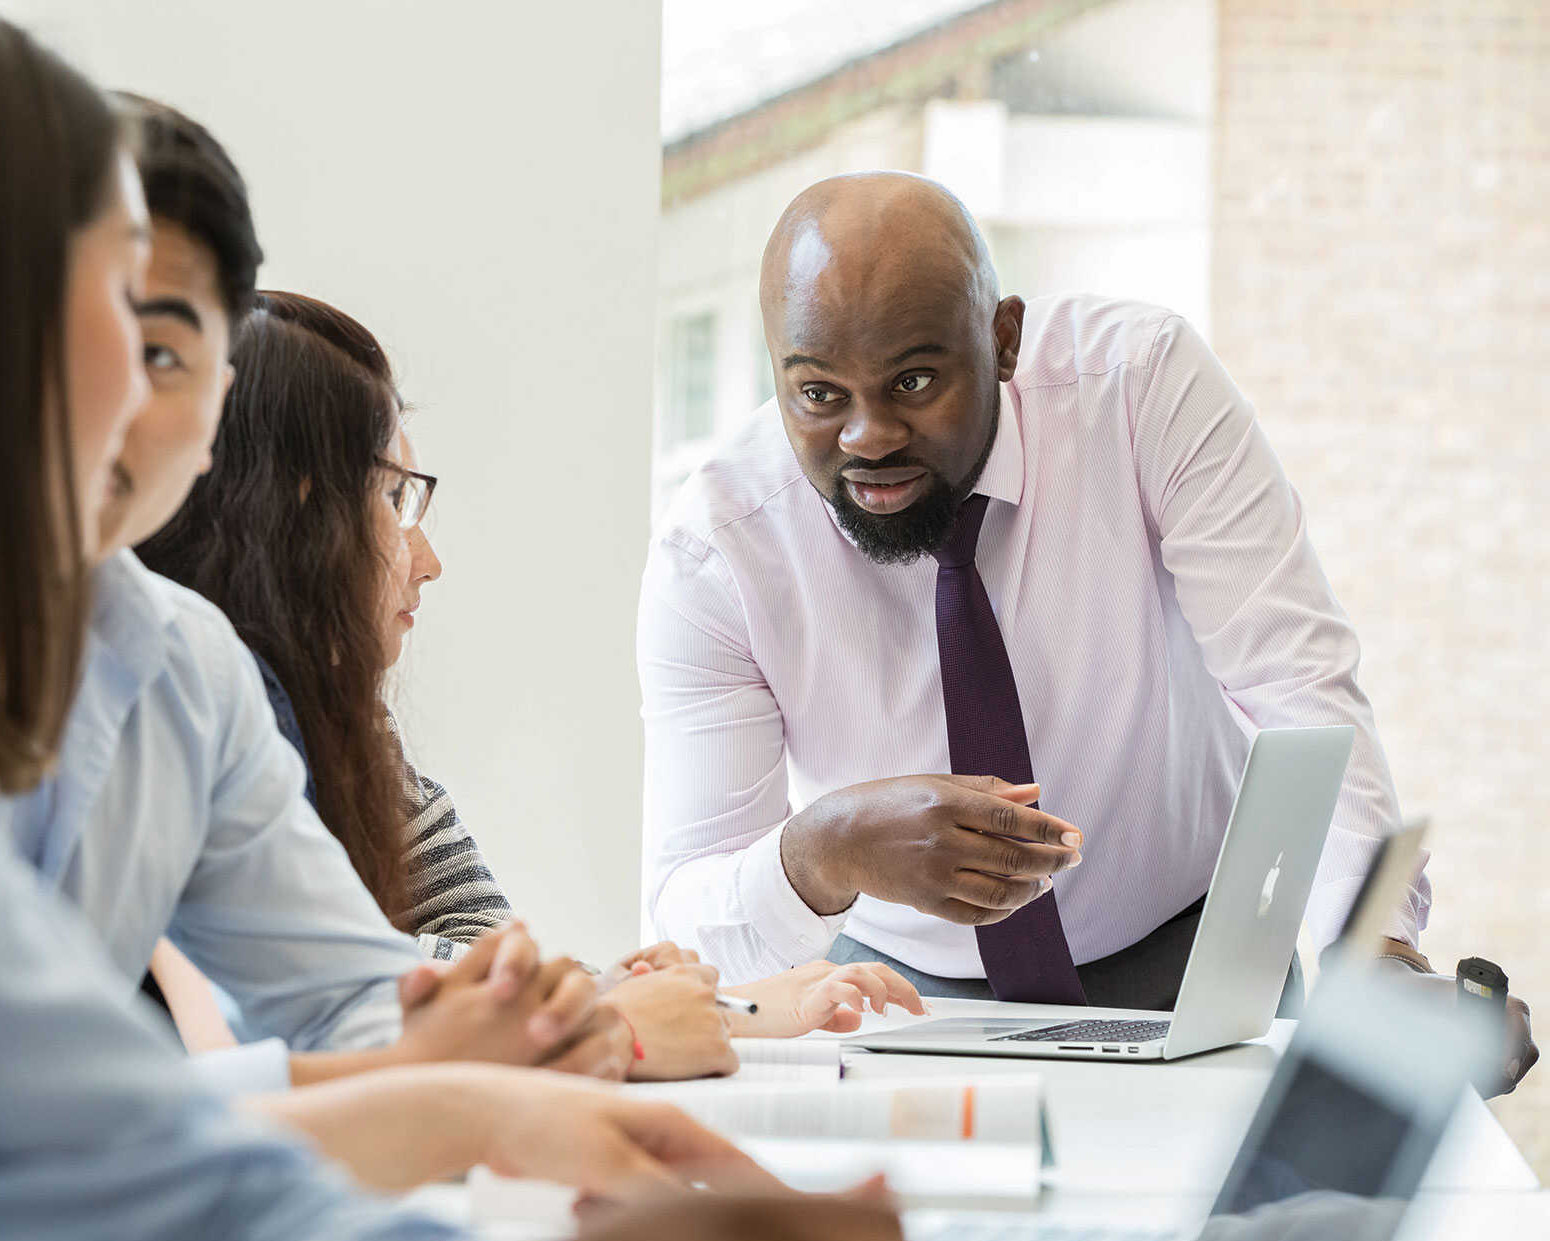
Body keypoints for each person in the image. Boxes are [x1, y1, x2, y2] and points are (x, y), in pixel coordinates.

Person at [0, 2, 912, 1241]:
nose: (150, 397)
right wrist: (500, 1083)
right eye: (124, 318)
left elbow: (95, 1167)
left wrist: (514, 1178)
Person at [0, 20, 621, 1093]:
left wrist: (531, 1040)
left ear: (220, 406)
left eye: (159, 346)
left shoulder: (181, 663)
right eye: (58, 322)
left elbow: (345, 998)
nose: (107, 390)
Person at [637, 170, 1535, 1088]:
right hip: (897, 1005)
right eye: (819, 394)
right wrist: (822, 849)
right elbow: (685, 926)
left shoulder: (1141, 389)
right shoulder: (716, 556)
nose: (868, 436)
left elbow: (1294, 685)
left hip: (1197, 966)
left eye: (912, 380)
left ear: (1002, 338)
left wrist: (1376, 957)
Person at [138, 289, 927, 1069]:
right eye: (391, 497)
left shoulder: (346, 736)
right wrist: (619, 1021)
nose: (428, 561)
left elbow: (479, 948)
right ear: (292, 514)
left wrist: (706, 1008)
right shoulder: (179, 716)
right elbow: (322, 994)